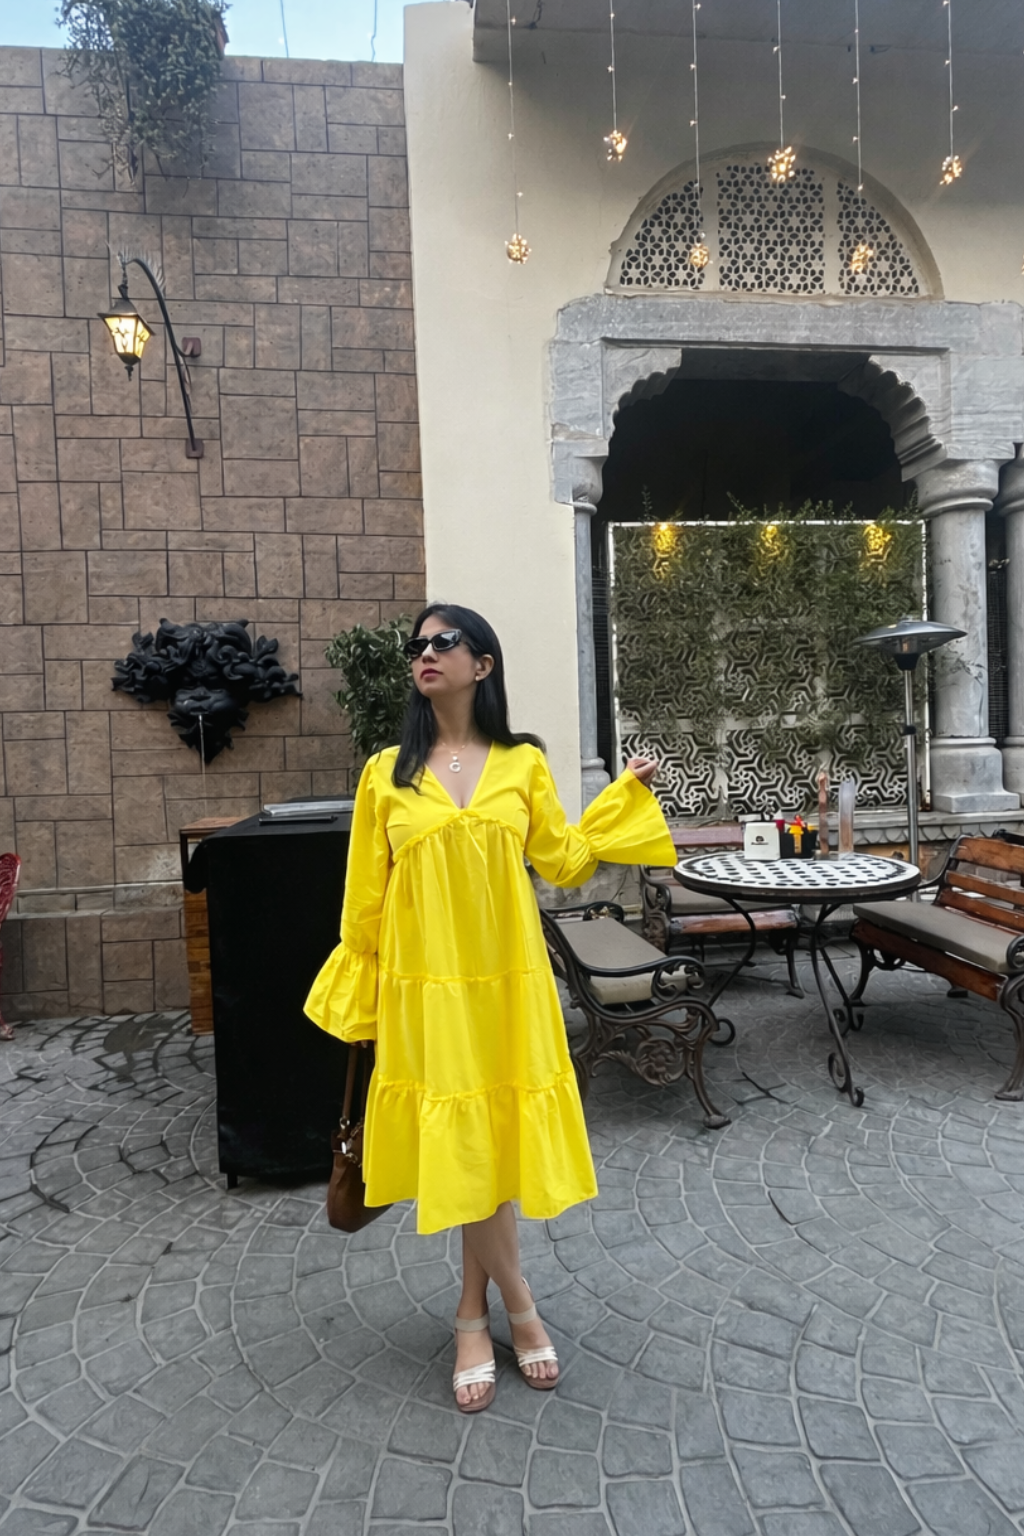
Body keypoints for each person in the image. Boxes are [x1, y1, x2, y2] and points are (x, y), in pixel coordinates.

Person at [305, 604, 677, 1412]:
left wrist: (621, 798)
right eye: (418, 645)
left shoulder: (522, 765)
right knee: (467, 1143)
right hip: (426, 991)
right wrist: (362, 998)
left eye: (445, 642)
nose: (426, 654)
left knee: (492, 1143)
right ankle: (519, 1308)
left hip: (508, 982)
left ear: (483, 664)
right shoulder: (385, 774)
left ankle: (473, 1316)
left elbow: (567, 861)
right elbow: (362, 902)